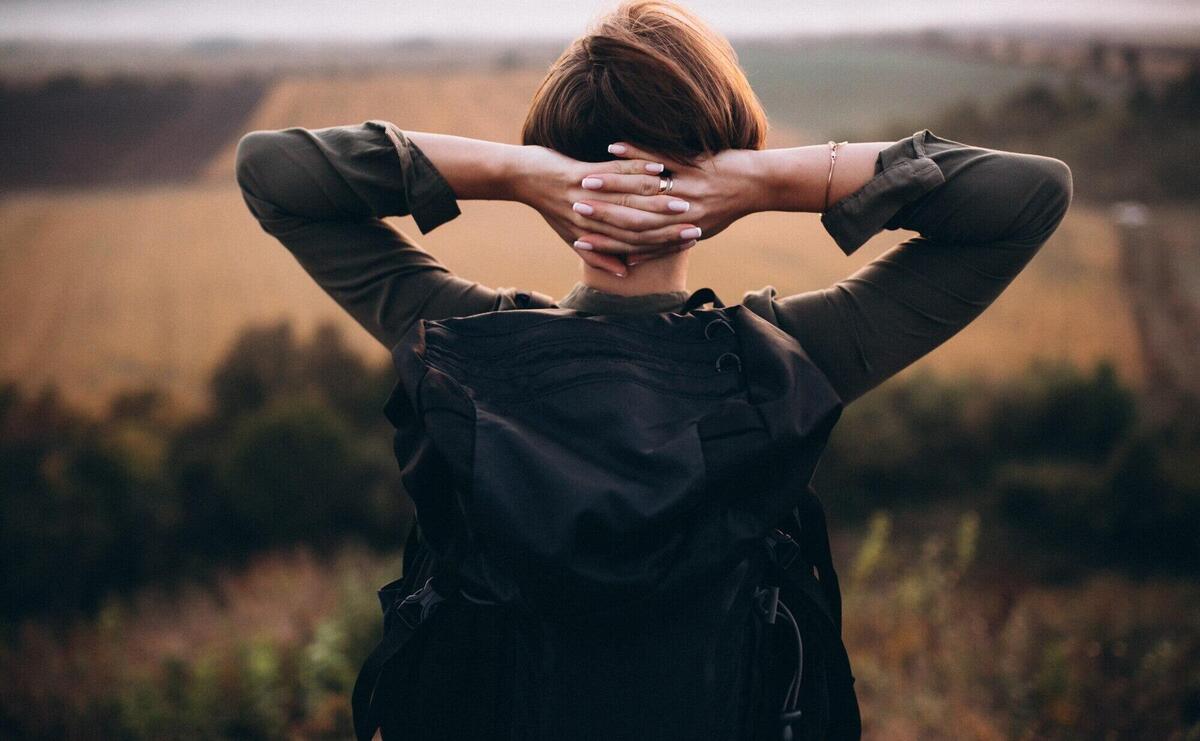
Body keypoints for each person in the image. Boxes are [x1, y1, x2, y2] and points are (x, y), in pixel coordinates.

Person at [234, 1, 1073, 737]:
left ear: (563, 181)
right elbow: (1028, 196)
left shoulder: (460, 349)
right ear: (722, 165)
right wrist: (767, 178)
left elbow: (272, 173)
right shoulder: (787, 363)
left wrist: (516, 172)